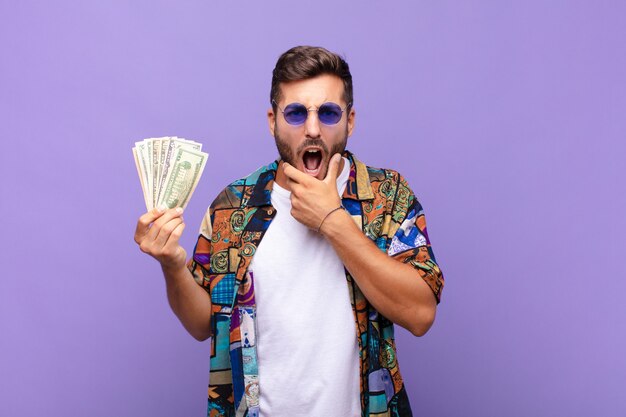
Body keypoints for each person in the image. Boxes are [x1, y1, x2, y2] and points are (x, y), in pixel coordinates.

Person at [134, 46, 444, 417]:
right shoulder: (233, 206)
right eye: (296, 113)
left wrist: (332, 219)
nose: (312, 129)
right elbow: (204, 324)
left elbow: (420, 314)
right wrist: (172, 265)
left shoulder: (387, 196)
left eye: (328, 113)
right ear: (272, 121)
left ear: (350, 121)